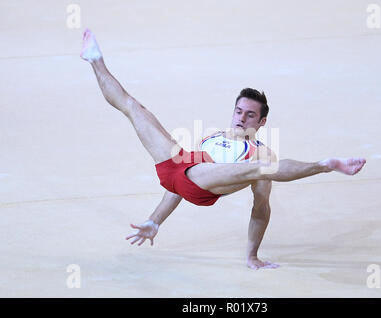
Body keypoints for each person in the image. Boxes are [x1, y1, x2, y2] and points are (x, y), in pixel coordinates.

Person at [80, 28, 366, 269]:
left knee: (262, 166)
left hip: (203, 188)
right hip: (178, 170)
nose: (241, 117)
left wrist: (252, 255)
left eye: (250, 115)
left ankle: (325, 164)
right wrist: (155, 221)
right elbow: (180, 180)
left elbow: (260, 207)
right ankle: (95, 60)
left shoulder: (259, 153)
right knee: (134, 107)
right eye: (238, 111)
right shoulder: (213, 136)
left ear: (262, 121)